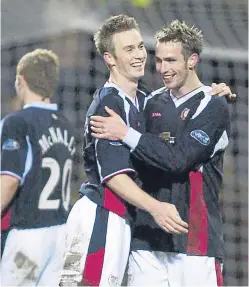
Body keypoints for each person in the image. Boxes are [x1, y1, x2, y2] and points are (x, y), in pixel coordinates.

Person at [90, 20, 232, 286]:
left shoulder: (213, 105)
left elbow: (179, 160)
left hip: (195, 244)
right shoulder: (149, 102)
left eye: (171, 60)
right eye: (159, 61)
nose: (163, 69)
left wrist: (126, 134)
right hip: (146, 242)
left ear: (192, 60)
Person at [60, 15, 189, 287]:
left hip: (122, 222)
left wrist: (211, 95)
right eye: (129, 49)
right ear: (110, 58)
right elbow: (114, 177)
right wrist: (156, 208)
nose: (139, 54)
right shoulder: (108, 104)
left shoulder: (145, 99)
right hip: (100, 216)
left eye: (140, 46)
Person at [0, 49, 76, 286]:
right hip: (60, 235)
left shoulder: (17, 121)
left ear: (20, 80)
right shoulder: (65, 123)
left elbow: (10, 179)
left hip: (28, 237)